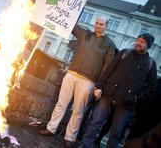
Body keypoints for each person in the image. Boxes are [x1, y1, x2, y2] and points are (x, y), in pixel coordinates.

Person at [39, 16, 116, 148]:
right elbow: (72, 25)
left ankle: (70, 138)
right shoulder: (85, 34)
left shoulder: (109, 45)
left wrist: (99, 85)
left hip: (89, 81)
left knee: (78, 110)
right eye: (96, 23)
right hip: (72, 74)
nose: (97, 26)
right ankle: (51, 129)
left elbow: (107, 67)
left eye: (101, 24)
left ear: (106, 26)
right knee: (61, 103)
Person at [78, 33, 157, 148]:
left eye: (142, 42)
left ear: (148, 46)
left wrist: (136, 98)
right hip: (108, 95)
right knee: (95, 122)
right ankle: (85, 145)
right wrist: (99, 86)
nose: (138, 43)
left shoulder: (150, 63)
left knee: (116, 132)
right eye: (138, 40)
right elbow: (109, 70)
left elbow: (151, 87)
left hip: (126, 103)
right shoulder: (124, 53)